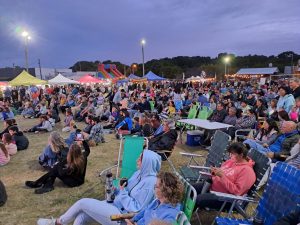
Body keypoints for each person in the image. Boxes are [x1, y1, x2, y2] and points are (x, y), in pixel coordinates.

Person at [37, 150, 161, 225]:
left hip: (122, 217)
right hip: (115, 205)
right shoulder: (138, 173)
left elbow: (136, 208)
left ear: (147, 163)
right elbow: (126, 191)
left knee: (82, 203)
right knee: (82, 216)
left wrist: (122, 193)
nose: (137, 160)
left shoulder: (150, 183)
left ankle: (57, 222)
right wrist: (116, 190)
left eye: (140, 159)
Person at [193, 143, 256, 210]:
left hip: (225, 197)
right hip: (212, 186)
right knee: (190, 189)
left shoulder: (247, 171)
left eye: (233, 154)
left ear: (241, 155)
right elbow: (222, 172)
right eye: (230, 153)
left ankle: (185, 217)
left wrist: (222, 176)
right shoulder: (232, 161)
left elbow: (237, 191)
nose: (230, 156)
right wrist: (215, 172)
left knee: (197, 199)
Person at [25, 140, 90, 194]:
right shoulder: (83, 156)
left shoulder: (72, 166)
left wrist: (58, 164)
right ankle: (42, 184)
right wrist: (83, 141)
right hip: (80, 180)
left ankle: (43, 184)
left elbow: (61, 173)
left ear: (70, 153)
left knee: (55, 170)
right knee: (56, 167)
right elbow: (87, 150)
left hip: (73, 183)